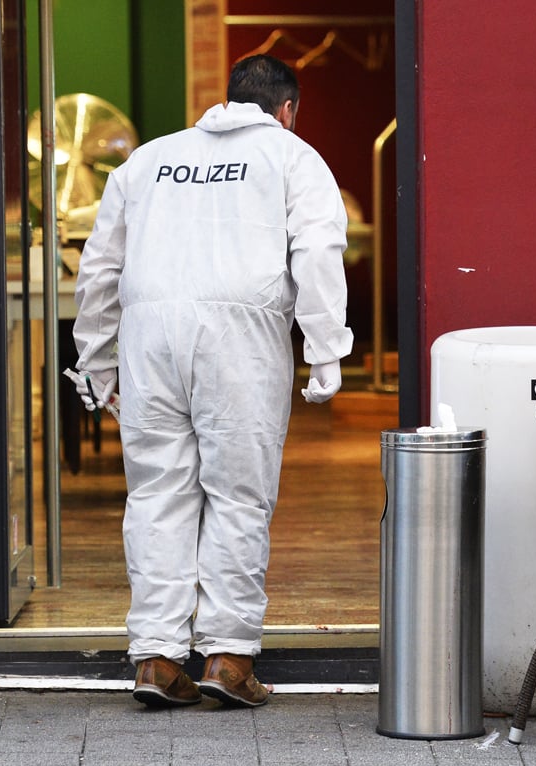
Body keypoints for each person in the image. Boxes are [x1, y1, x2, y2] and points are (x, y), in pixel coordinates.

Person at [71, 54, 353, 709]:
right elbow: (317, 252)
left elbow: (99, 266)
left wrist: (95, 359)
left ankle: (157, 658)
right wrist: (325, 352)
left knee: (157, 494)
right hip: (240, 341)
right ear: (288, 110)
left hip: (150, 337)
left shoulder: (148, 160)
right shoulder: (292, 156)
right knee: (237, 495)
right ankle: (227, 657)